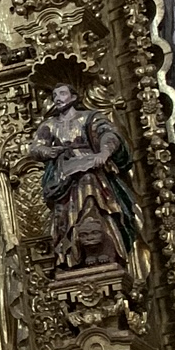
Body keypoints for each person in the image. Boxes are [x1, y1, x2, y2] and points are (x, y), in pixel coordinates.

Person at [28, 83, 139, 272]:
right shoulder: (50, 125)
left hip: (92, 169)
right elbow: (35, 147)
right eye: (54, 95)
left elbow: (109, 134)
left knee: (90, 186)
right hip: (64, 177)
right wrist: (48, 151)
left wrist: (104, 153)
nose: (57, 98)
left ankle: (104, 243)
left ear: (73, 97)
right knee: (66, 215)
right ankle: (74, 254)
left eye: (62, 93)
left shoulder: (89, 118)